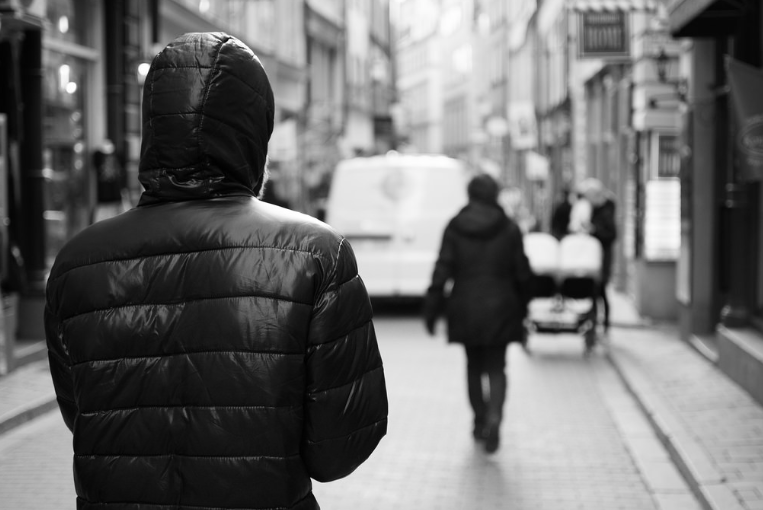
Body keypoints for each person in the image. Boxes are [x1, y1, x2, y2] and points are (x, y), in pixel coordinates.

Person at [44, 32, 388, 510]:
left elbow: (82, 415)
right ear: (254, 131)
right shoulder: (315, 254)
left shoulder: (75, 264)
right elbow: (339, 446)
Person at [423, 173, 533, 454]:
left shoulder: (455, 226)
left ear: (470, 194)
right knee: (497, 367)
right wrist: (525, 305)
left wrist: (432, 308)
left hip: (465, 305)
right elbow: (522, 271)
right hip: (502, 305)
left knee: (473, 366)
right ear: (494, 194)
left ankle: (480, 419)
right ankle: (495, 417)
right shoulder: (509, 227)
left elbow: (442, 267)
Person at [581, 177, 617, 332]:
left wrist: (594, 230)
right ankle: (595, 322)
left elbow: (611, 234)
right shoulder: (595, 209)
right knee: (595, 291)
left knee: (601, 290)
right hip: (594, 256)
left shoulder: (606, 211)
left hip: (603, 257)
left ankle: (604, 323)